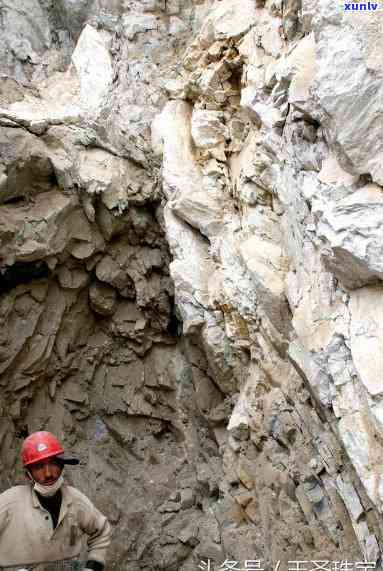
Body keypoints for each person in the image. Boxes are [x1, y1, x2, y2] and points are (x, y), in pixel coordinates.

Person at [0, 431, 111, 570]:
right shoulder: (8, 503)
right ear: (28, 474)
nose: (48, 473)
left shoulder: (76, 501)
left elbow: (101, 531)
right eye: (39, 467)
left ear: (62, 465)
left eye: (53, 463)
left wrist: (93, 565)